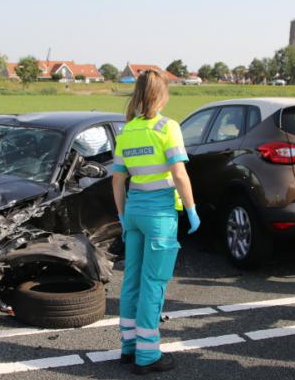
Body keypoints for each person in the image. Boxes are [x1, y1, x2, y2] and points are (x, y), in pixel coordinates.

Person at [111, 69, 200, 375]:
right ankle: (148, 356)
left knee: (131, 281)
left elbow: (117, 179)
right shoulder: (167, 127)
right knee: (154, 284)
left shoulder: (128, 130)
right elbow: (179, 174)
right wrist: (191, 209)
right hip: (160, 216)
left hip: (134, 211)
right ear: (161, 95)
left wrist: (122, 216)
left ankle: (128, 347)